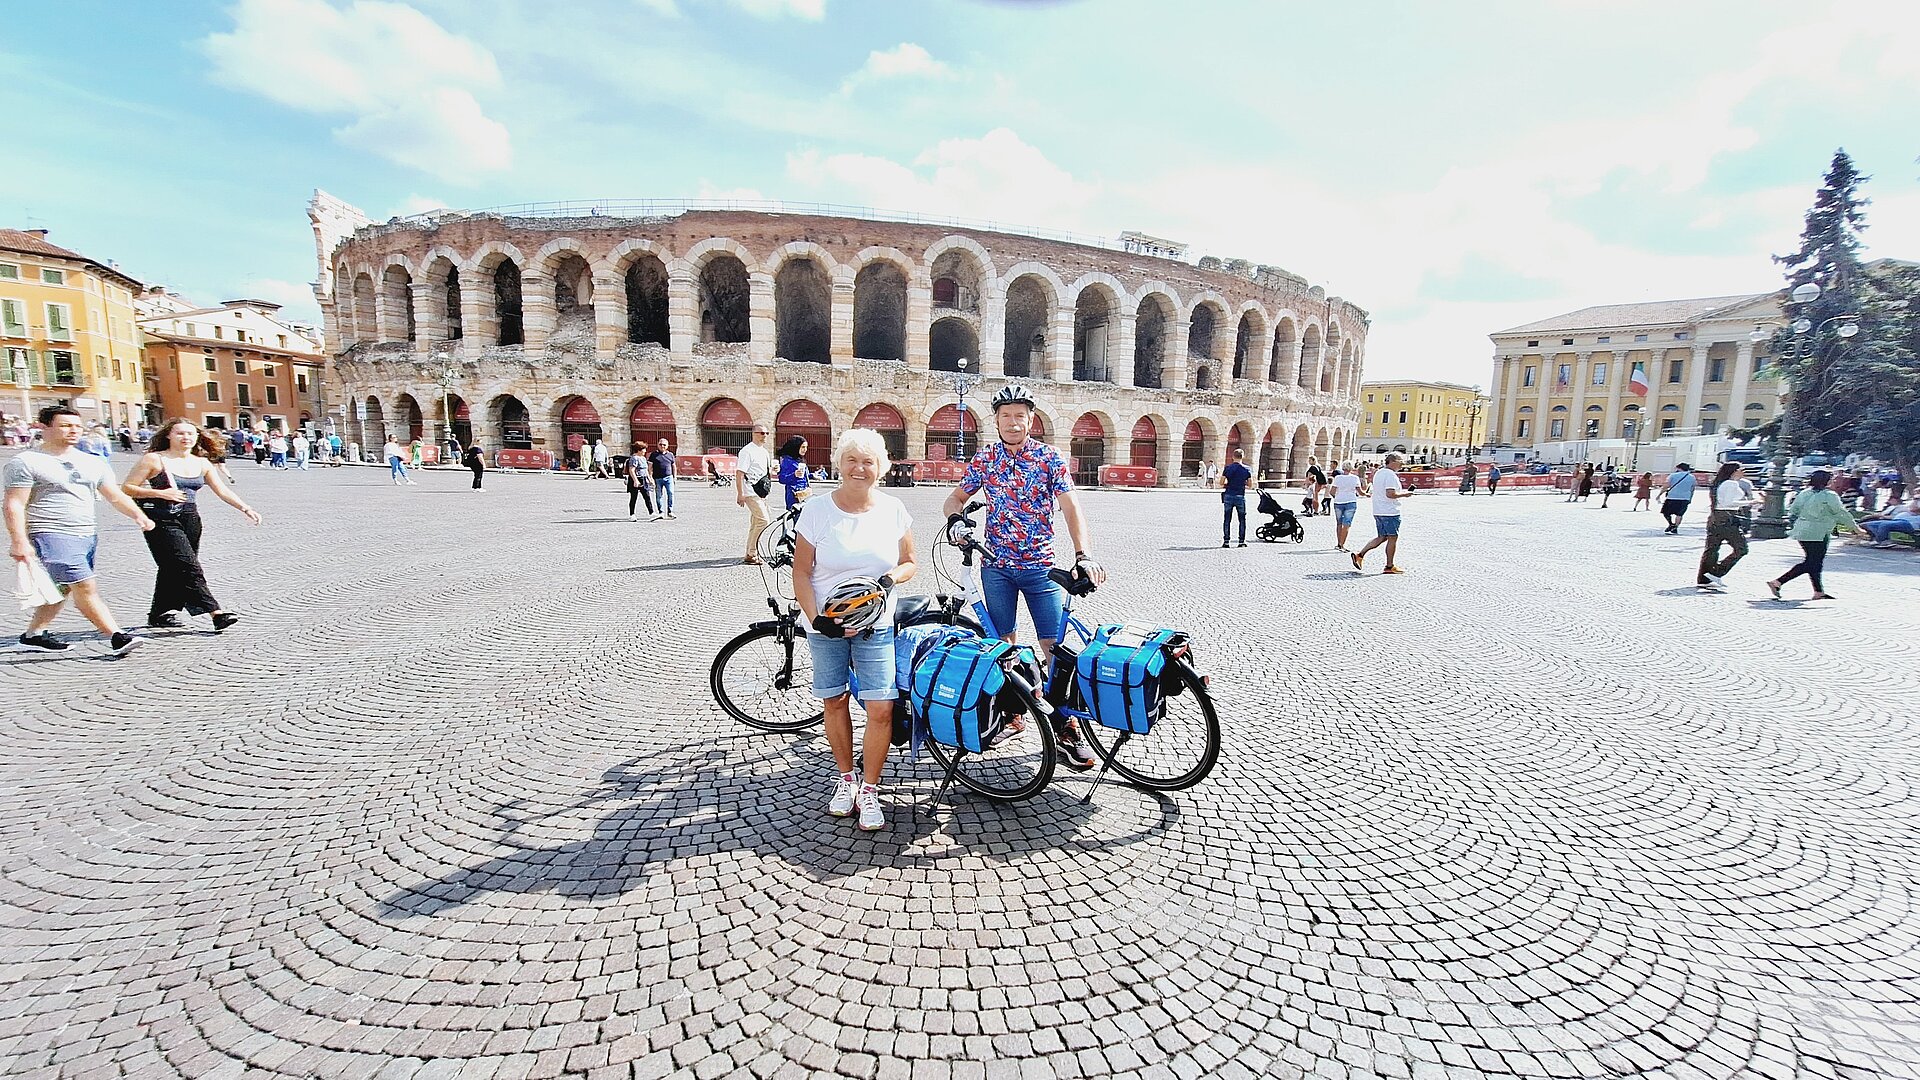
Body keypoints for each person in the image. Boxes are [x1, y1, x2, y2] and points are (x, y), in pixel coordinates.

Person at [941, 384, 1105, 771]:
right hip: (995, 567)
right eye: (1005, 416)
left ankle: (1066, 729)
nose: (1013, 423)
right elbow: (954, 498)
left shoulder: (1049, 458)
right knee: (1003, 646)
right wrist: (956, 521)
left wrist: (1083, 554)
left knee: (1054, 648)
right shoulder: (986, 459)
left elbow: (1070, 507)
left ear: (1031, 419)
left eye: (1020, 416)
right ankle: (1013, 714)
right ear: (995, 420)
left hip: (1039, 568)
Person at [792, 428, 916, 833]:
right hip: (825, 625)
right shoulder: (817, 510)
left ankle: (871, 788)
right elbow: (801, 572)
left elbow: (910, 562)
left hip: (876, 624)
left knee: (881, 707)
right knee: (835, 701)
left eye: (868, 462)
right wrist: (817, 619)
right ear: (839, 464)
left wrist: (889, 580)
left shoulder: (894, 509)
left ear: (880, 467)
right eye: (852, 460)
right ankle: (846, 780)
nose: (859, 468)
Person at [5, 405, 155, 654]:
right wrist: (18, 541)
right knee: (84, 586)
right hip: (49, 532)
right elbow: (14, 503)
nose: (73, 431)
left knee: (61, 586)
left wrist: (139, 515)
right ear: (44, 428)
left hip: (85, 533)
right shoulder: (26, 462)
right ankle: (116, 636)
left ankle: (34, 634)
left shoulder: (92, 462)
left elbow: (115, 496)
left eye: (77, 426)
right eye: (65, 425)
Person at [120, 419, 262, 631]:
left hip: (190, 517)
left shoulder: (202, 463)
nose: (186, 437)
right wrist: (159, 492)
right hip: (161, 517)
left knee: (173, 567)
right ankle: (216, 613)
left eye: (190, 434)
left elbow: (222, 490)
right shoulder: (154, 460)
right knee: (188, 566)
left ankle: (159, 614)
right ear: (169, 435)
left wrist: (245, 508)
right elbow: (127, 488)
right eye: (180, 433)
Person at [1767, 470, 1858, 601]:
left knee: (1815, 561)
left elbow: (1793, 511)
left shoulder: (1804, 493)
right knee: (1812, 562)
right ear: (1826, 481)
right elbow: (1841, 513)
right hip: (1819, 532)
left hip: (1802, 530)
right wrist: (1856, 528)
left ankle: (1818, 591)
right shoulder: (1830, 495)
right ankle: (1778, 582)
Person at [1350, 451, 1412, 574]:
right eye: (1400, 461)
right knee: (1392, 538)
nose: (1402, 464)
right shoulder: (1391, 475)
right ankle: (1389, 566)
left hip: (1378, 510)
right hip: (1390, 511)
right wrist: (1406, 494)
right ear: (1393, 461)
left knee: (1382, 537)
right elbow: (1390, 494)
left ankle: (1360, 555)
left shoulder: (1379, 473)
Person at [1696, 462, 1755, 590]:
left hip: (1716, 518)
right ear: (1734, 471)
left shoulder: (1720, 484)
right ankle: (1716, 572)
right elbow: (1729, 503)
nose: (1743, 472)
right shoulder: (1731, 484)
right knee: (1741, 548)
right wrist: (1751, 502)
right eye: (1741, 469)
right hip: (1727, 519)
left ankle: (1704, 578)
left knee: (1712, 549)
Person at [734, 423, 773, 564]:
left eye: (767, 433)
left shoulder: (764, 452)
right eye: (761, 433)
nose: (765, 436)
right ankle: (752, 552)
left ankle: (750, 553)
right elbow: (739, 473)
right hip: (750, 492)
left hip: (760, 492)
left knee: (756, 522)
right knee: (764, 521)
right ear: (754, 433)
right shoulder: (747, 451)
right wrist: (740, 493)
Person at [1329, 463, 1364, 552]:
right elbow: (1360, 492)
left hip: (1339, 501)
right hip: (1351, 501)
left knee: (1339, 523)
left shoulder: (1338, 478)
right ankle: (1342, 544)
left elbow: (1332, 491)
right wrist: (1367, 494)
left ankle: (1338, 543)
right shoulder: (1355, 478)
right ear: (1351, 468)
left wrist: (1336, 497)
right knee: (1347, 524)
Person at [1220, 448, 1252, 547]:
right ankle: (1241, 541)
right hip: (1240, 495)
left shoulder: (1228, 468)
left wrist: (1228, 483)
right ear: (1243, 457)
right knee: (1242, 519)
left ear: (1233, 457)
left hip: (1229, 495)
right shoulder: (1247, 469)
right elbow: (1250, 485)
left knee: (1227, 519)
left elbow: (1221, 483)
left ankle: (1226, 541)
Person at [1659, 464, 1697, 534]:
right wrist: (1690, 498)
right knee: (1679, 514)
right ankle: (1675, 527)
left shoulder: (1673, 475)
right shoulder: (1692, 477)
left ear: (1679, 468)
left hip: (1672, 496)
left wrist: (1659, 494)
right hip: (1685, 497)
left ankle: (1671, 524)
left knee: (1666, 512)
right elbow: (1692, 488)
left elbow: (1666, 485)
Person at [778, 436, 811, 509]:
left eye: (806, 447)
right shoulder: (787, 461)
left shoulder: (799, 460)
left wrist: (812, 475)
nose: (805, 450)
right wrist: (794, 475)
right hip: (795, 496)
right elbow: (782, 479)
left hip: (804, 493)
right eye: (802, 447)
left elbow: (804, 475)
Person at [648, 438, 676, 519]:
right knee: (658, 495)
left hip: (669, 477)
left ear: (667, 446)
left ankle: (670, 511)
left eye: (664, 444)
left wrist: (674, 477)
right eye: (660, 444)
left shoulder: (670, 455)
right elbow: (650, 467)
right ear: (657, 445)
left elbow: (674, 466)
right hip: (657, 478)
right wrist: (650, 478)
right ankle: (661, 512)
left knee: (671, 493)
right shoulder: (653, 455)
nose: (662, 446)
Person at [623, 448, 654, 519]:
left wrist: (649, 479)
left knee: (647, 496)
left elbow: (645, 470)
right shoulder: (634, 458)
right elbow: (632, 470)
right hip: (636, 478)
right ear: (639, 450)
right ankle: (632, 514)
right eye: (644, 449)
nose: (645, 451)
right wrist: (635, 480)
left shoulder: (643, 458)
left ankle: (651, 513)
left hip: (643, 478)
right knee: (634, 497)